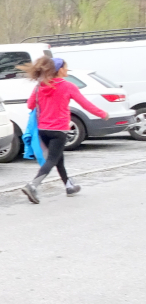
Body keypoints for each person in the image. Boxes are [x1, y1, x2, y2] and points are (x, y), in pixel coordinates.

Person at [19, 57, 108, 204]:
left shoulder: (39, 86)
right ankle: (32, 185)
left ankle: (69, 186)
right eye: (65, 67)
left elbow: (30, 105)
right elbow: (85, 104)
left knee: (59, 159)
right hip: (59, 130)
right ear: (59, 70)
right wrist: (102, 114)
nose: (67, 69)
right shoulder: (68, 86)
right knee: (52, 160)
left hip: (43, 129)